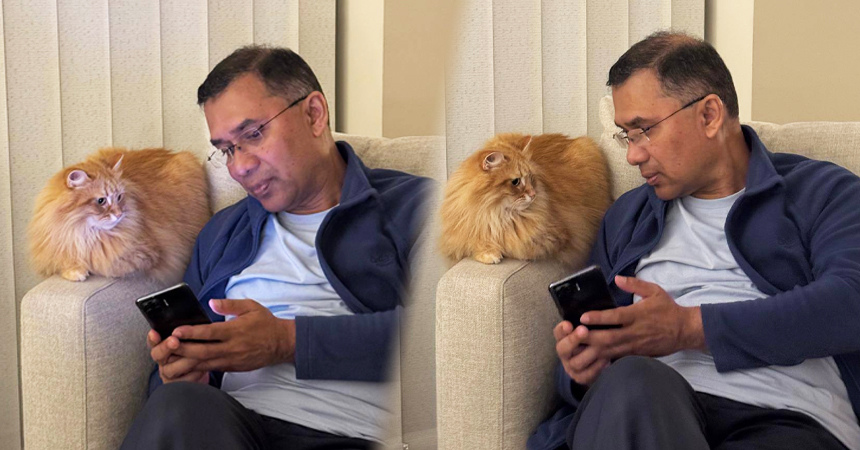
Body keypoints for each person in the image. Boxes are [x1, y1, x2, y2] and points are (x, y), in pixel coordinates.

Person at [529, 31, 860, 450]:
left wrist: (690, 327)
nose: (633, 155)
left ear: (709, 115)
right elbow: (594, 344)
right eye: (626, 135)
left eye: (644, 130)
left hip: (785, 416)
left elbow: (850, 302)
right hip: (649, 410)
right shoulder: (627, 217)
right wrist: (582, 370)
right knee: (630, 380)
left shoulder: (823, 191)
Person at [120, 46, 433, 450]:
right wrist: (184, 373)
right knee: (176, 404)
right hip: (225, 429)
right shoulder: (222, 233)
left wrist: (287, 341)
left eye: (253, 134)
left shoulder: (419, 207)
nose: (239, 167)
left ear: (314, 114)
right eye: (227, 149)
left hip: (346, 435)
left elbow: (445, 340)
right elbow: (168, 388)